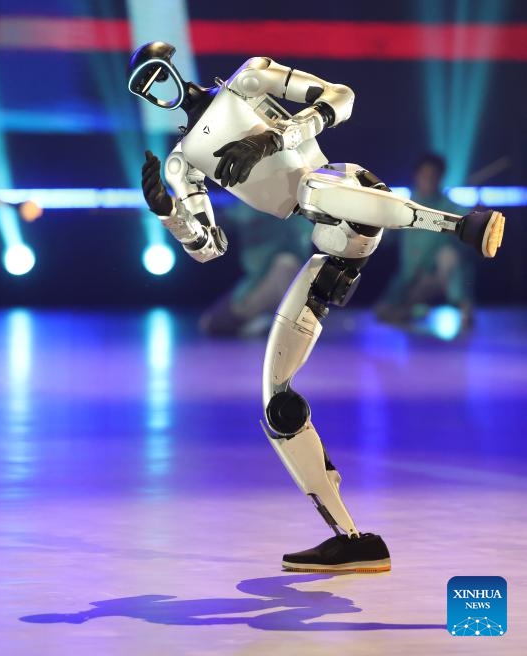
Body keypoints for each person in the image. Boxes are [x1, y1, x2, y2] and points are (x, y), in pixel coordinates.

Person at [128, 41, 505, 574]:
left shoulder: (249, 80)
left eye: (157, 73)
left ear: (173, 68)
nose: (156, 88)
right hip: (330, 249)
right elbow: (210, 248)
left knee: (312, 187)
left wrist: (274, 137)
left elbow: (341, 98)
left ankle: (459, 225)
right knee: (275, 401)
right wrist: (167, 212)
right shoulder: (182, 163)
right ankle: (351, 538)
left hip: (343, 188)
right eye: (144, 85)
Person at [375, 153, 473, 328]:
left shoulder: (448, 207)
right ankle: (411, 309)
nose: (429, 179)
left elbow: (467, 220)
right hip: (411, 278)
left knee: (448, 256)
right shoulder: (403, 205)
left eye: (433, 175)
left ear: (440, 177)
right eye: (425, 175)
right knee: (385, 312)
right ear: (416, 175)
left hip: (436, 277)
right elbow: (385, 239)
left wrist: (474, 218)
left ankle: (464, 308)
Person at [200, 204, 312, 336]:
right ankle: (260, 321)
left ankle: (281, 322)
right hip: (255, 285)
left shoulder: (293, 207)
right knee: (209, 323)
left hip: (284, 280)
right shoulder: (247, 205)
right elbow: (225, 218)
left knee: (286, 264)